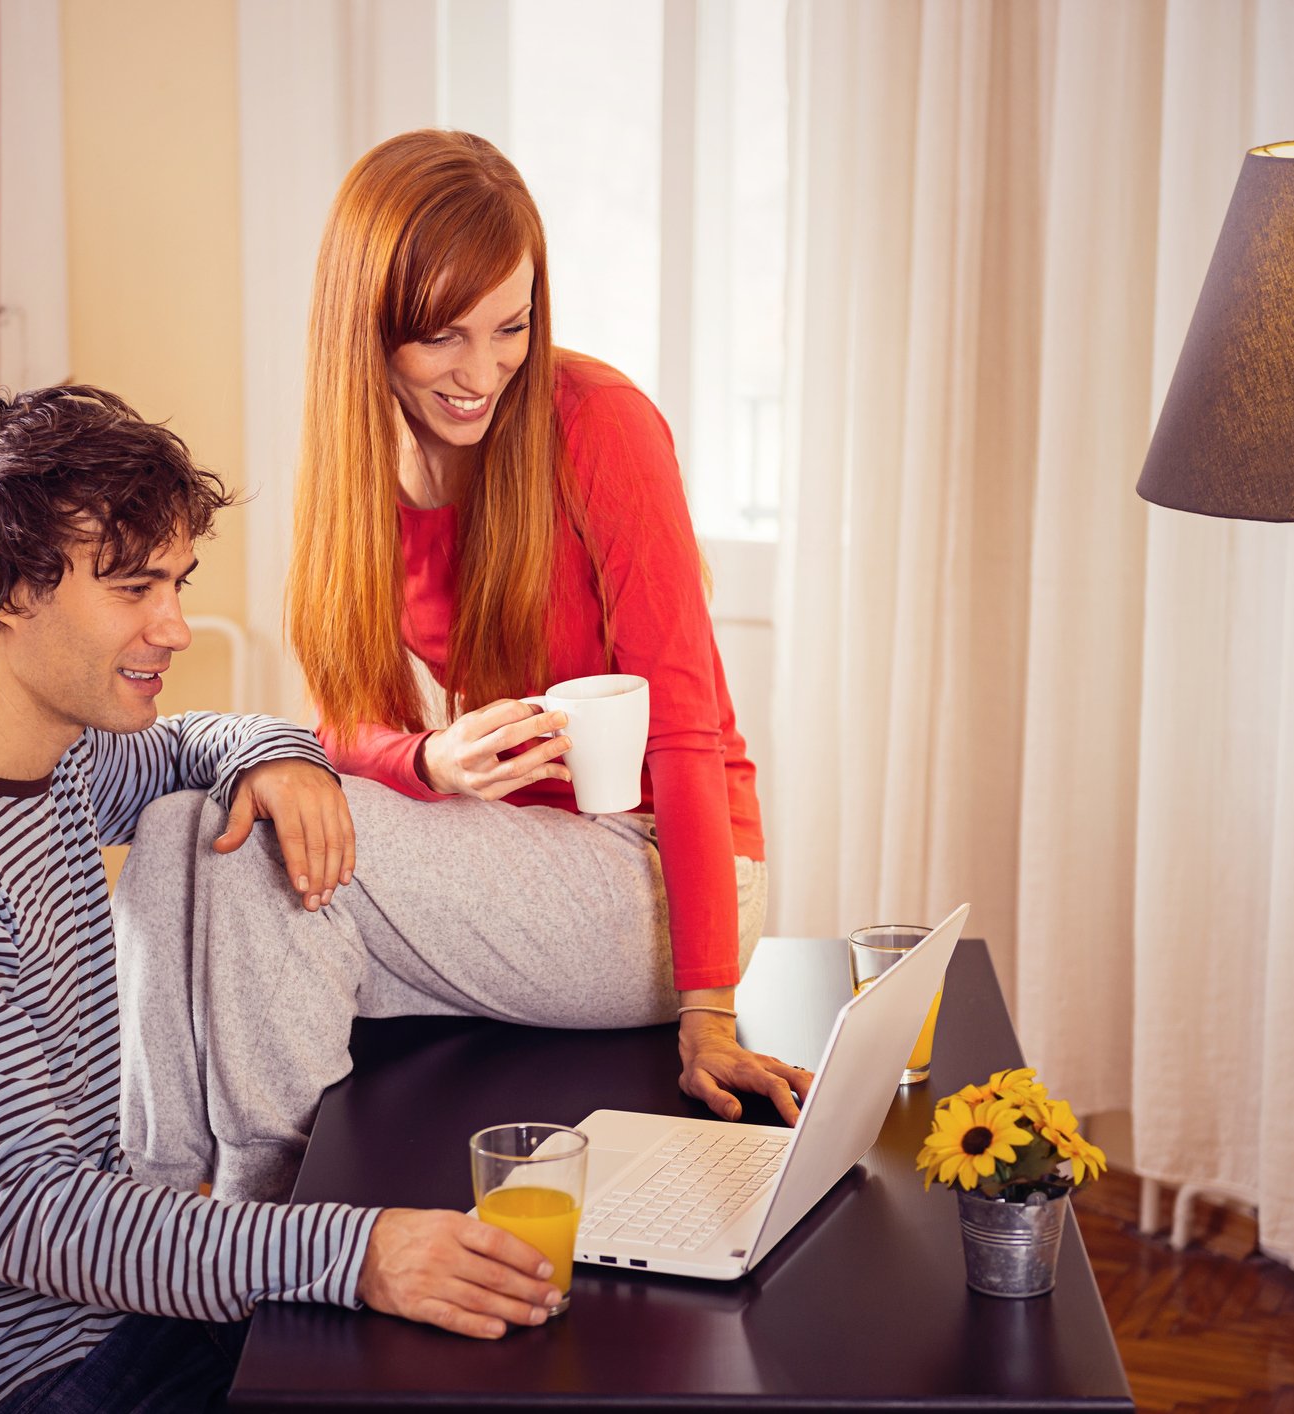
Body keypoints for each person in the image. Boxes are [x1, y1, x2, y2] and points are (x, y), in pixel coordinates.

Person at [0, 386, 563, 1414]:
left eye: (177, 581)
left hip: (85, 1325)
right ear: (3, 587)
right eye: (134, 588)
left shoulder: (50, 752)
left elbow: (189, 745)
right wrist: (359, 1251)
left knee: (442, 1344)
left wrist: (278, 759)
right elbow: (35, 1222)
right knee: (417, 1351)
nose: (174, 627)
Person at [114, 130, 806, 1212]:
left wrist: (708, 1006)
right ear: (371, 326)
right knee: (184, 829)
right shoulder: (354, 476)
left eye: (511, 327)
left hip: (660, 881)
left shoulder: (599, 427)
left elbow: (680, 726)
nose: (481, 372)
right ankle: (156, 1204)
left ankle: (253, 1231)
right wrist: (428, 757)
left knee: (247, 836)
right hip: (511, 863)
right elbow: (338, 725)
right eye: (442, 337)